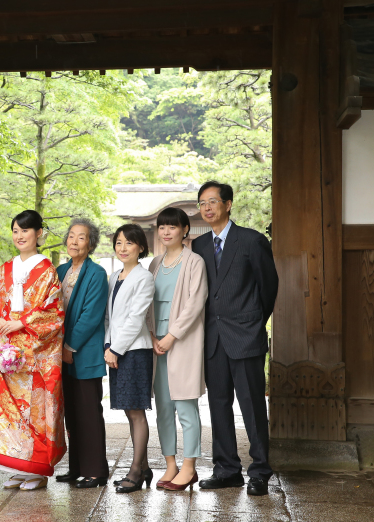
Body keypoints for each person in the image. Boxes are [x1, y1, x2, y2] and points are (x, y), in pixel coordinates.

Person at [0, 210, 66, 491]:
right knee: (9, 410)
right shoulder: (5, 268)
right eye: (15, 231)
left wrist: (20, 323)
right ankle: (18, 467)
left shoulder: (46, 269)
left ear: (39, 234)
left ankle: (37, 470)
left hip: (35, 354)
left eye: (25, 231)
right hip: (8, 350)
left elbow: (53, 311)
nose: (20, 236)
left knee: (34, 410)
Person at [191, 181, 279, 497]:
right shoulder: (199, 246)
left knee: (253, 405)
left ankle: (259, 471)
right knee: (218, 405)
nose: (207, 207)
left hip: (246, 335)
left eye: (213, 201)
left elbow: (269, 288)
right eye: (202, 203)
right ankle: (226, 470)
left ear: (228, 204)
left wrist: (254, 321)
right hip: (212, 339)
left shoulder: (252, 241)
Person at [144, 208, 208, 491]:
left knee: (185, 405)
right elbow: (146, 303)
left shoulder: (194, 262)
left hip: (182, 342)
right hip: (156, 344)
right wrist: (152, 336)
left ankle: (189, 466)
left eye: (172, 226)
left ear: (185, 230)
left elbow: (196, 303)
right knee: (163, 408)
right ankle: (170, 463)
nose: (166, 231)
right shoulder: (154, 263)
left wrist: (172, 335)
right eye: (162, 227)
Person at [54, 218, 110, 489]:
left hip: (82, 352)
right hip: (58, 353)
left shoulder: (97, 274)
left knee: (89, 411)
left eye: (82, 237)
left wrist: (69, 346)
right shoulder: (60, 270)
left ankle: (96, 471)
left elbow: (91, 316)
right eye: (71, 236)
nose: (74, 241)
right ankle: (76, 467)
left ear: (91, 243)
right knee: (71, 413)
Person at [105, 224, 155, 494]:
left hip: (135, 350)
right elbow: (109, 318)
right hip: (116, 350)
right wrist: (107, 345)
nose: (123, 248)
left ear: (141, 247)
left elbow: (136, 318)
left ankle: (136, 470)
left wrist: (116, 349)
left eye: (129, 243)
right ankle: (144, 465)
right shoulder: (114, 277)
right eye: (119, 243)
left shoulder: (144, 278)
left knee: (136, 411)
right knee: (128, 409)